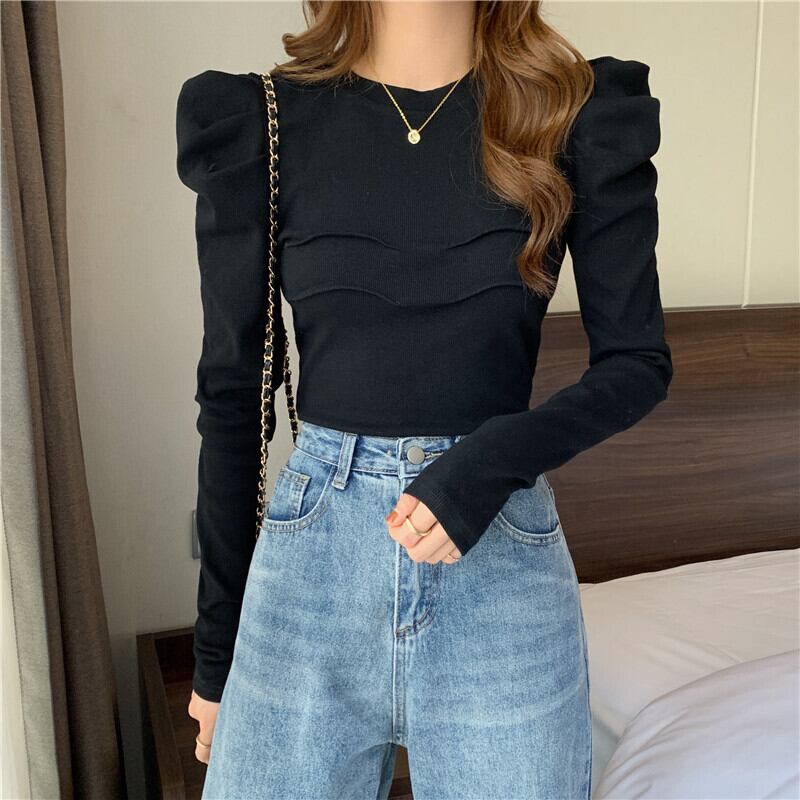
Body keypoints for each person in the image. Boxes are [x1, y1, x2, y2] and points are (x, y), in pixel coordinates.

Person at [175, 2, 672, 797]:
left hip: (500, 566)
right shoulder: (259, 121)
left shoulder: (574, 114)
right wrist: (214, 654)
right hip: (309, 576)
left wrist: (486, 465)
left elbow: (637, 363)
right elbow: (234, 396)